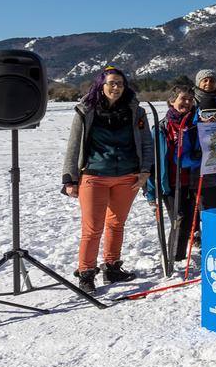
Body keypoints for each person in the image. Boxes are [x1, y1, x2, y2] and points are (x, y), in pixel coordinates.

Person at [63, 67, 154, 292]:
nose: (116, 87)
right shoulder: (86, 110)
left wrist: (145, 171)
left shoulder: (136, 111)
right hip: (94, 175)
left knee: (116, 224)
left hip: (127, 176)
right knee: (92, 229)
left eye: (120, 84)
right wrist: (69, 178)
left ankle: (112, 267)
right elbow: (73, 146)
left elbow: (146, 143)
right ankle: (86, 273)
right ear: (101, 86)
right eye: (112, 83)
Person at [145, 85, 197, 264]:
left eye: (190, 99)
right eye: (183, 98)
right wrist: (151, 190)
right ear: (172, 101)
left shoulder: (196, 124)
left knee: (189, 219)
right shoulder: (161, 128)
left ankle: (180, 256)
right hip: (169, 183)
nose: (187, 102)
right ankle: (173, 257)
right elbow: (152, 162)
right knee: (179, 218)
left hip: (191, 181)